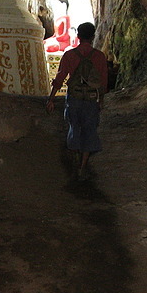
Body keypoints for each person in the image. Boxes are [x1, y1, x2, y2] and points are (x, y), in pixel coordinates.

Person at [45, 22, 109, 181]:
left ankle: (74, 160)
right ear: (93, 37)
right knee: (89, 130)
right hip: (91, 99)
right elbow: (103, 82)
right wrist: (101, 100)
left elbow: (59, 78)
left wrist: (51, 99)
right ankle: (82, 167)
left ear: (78, 36)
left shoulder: (69, 55)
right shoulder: (99, 56)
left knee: (74, 127)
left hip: (74, 98)